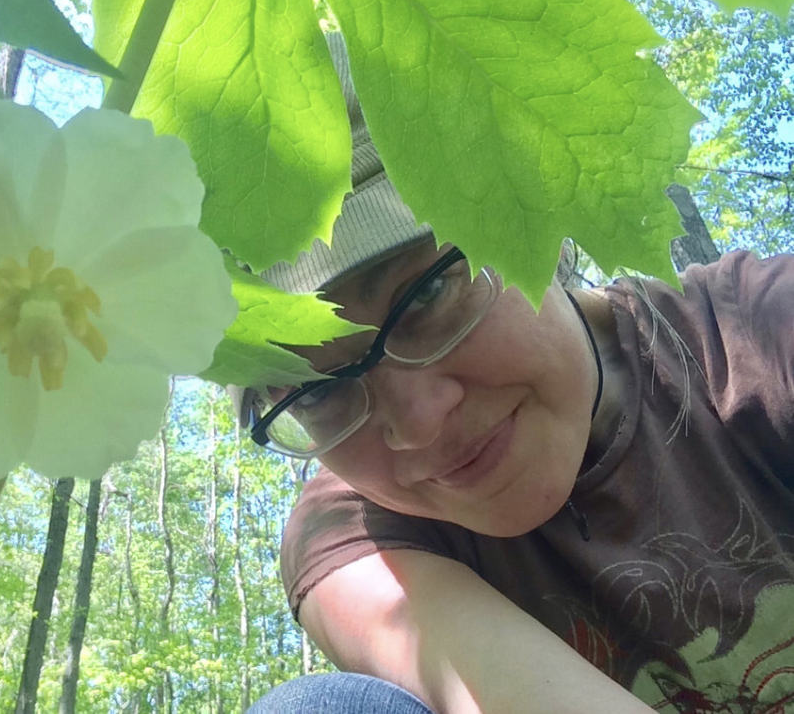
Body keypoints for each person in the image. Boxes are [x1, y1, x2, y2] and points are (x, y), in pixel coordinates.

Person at [239, 36, 794, 714]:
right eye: (318, 390)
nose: (418, 424)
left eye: (425, 297)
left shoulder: (752, 333)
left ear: (535, 225)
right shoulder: (353, 534)